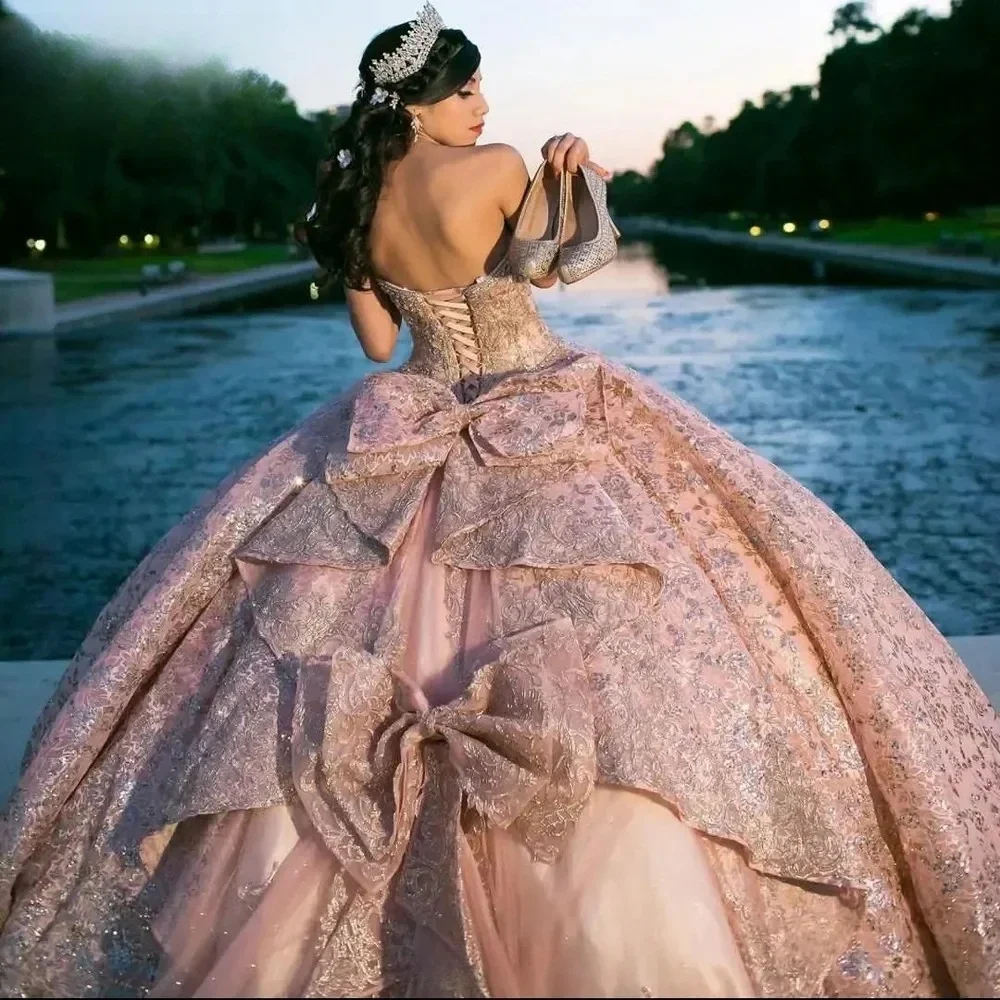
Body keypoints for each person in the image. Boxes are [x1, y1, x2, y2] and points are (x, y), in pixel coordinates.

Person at [1, 4, 998, 997]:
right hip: (534, 400)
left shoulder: (351, 198)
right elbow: (551, 268)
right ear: (422, 103)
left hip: (412, 412)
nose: (483, 106)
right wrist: (576, 179)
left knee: (335, 626)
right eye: (465, 89)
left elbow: (378, 348)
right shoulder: (499, 164)